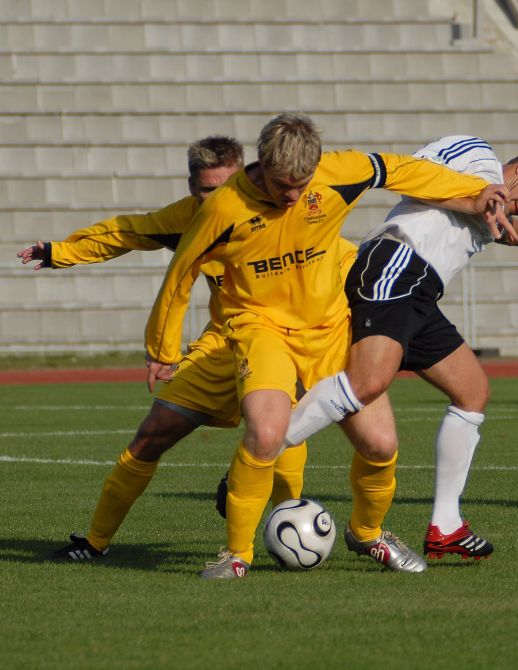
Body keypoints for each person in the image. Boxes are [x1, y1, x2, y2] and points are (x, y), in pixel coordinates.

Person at [144, 114, 515, 578]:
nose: (291, 196)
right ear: (262, 166)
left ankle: (367, 534)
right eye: (282, 185)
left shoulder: (338, 173)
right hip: (262, 329)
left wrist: (473, 194)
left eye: (301, 186)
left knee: (381, 445)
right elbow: (180, 274)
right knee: (266, 432)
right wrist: (163, 348)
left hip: (329, 329)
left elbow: (403, 170)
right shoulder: (224, 208)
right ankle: (236, 554)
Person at [17, 136, 345, 561]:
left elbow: (343, 254)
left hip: (283, 342)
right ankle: (94, 544)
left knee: (282, 439)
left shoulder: (289, 210)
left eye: (227, 185)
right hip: (222, 343)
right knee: (151, 435)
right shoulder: (192, 218)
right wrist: (61, 252)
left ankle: (282, 529)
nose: (219, 196)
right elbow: (127, 231)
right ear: (192, 187)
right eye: (208, 189)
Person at [278, 136, 518, 559]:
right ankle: (263, 450)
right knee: (367, 382)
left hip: (421, 291)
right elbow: (413, 177)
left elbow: (506, 228)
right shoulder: (477, 155)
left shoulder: (498, 205)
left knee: (473, 392)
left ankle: (445, 527)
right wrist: (478, 200)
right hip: (397, 262)